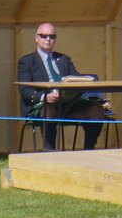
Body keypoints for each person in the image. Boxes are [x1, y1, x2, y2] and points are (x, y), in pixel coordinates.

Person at [17, 23, 105, 151]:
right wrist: (45, 97)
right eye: (43, 36)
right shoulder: (27, 62)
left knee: (96, 109)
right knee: (48, 110)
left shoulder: (64, 59)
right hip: (42, 106)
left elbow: (76, 80)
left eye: (52, 36)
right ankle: (50, 151)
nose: (48, 39)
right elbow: (24, 91)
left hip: (68, 104)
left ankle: (89, 151)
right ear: (36, 38)